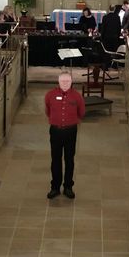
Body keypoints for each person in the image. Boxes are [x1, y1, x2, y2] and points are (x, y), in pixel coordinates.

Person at [44, 72, 85, 200]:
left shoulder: (77, 96)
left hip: (70, 132)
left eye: (68, 81)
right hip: (55, 131)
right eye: (63, 81)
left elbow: (81, 113)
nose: (65, 83)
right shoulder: (50, 95)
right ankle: (55, 187)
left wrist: (71, 121)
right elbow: (48, 111)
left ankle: (68, 187)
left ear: (72, 82)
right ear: (58, 82)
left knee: (69, 159)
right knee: (55, 159)